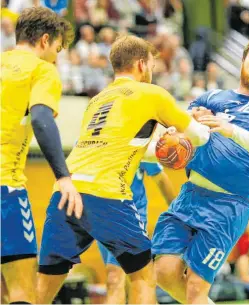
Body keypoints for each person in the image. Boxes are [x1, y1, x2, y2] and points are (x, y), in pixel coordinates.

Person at [36, 34, 210, 304]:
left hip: (65, 192)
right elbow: (199, 138)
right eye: (151, 64)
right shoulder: (151, 93)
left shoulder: (97, 100)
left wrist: (160, 147)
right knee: (143, 276)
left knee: (44, 286)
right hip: (105, 195)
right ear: (141, 64)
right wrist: (198, 123)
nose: (152, 70)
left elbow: (124, 148)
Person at [152, 32, 249, 304]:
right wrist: (186, 121)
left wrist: (232, 131)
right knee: (163, 272)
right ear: (243, 61)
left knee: (196, 287)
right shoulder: (211, 97)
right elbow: (178, 136)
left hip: (227, 206)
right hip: (189, 196)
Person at [0, 7, 80, 304]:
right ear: (45, 40)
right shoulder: (42, 70)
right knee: (23, 292)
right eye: (57, 49)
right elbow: (41, 119)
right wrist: (63, 176)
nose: (56, 58)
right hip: (5, 187)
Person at [97, 161, 175, 304]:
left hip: (130, 218)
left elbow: (161, 179)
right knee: (138, 279)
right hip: (101, 220)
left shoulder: (139, 141)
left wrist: (177, 214)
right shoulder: (89, 141)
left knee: (114, 277)